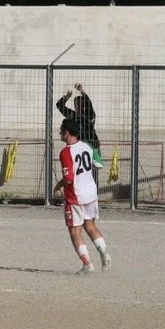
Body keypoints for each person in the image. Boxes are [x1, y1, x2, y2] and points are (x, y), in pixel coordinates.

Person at [53, 118, 112, 275]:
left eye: (61, 131)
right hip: (91, 192)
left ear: (67, 132)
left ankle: (87, 265)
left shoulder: (65, 152)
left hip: (76, 196)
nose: (59, 133)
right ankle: (104, 252)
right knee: (90, 225)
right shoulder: (87, 146)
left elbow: (68, 179)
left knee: (75, 231)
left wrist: (58, 185)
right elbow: (99, 164)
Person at [56, 83, 102, 185]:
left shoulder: (90, 115)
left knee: (92, 174)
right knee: (79, 172)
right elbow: (59, 106)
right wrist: (67, 97)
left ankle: (94, 190)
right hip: (79, 147)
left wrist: (81, 91)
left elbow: (89, 103)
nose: (78, 106)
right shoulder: (73, 115)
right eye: (76, 104)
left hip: (92, 146)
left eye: (80, 104)